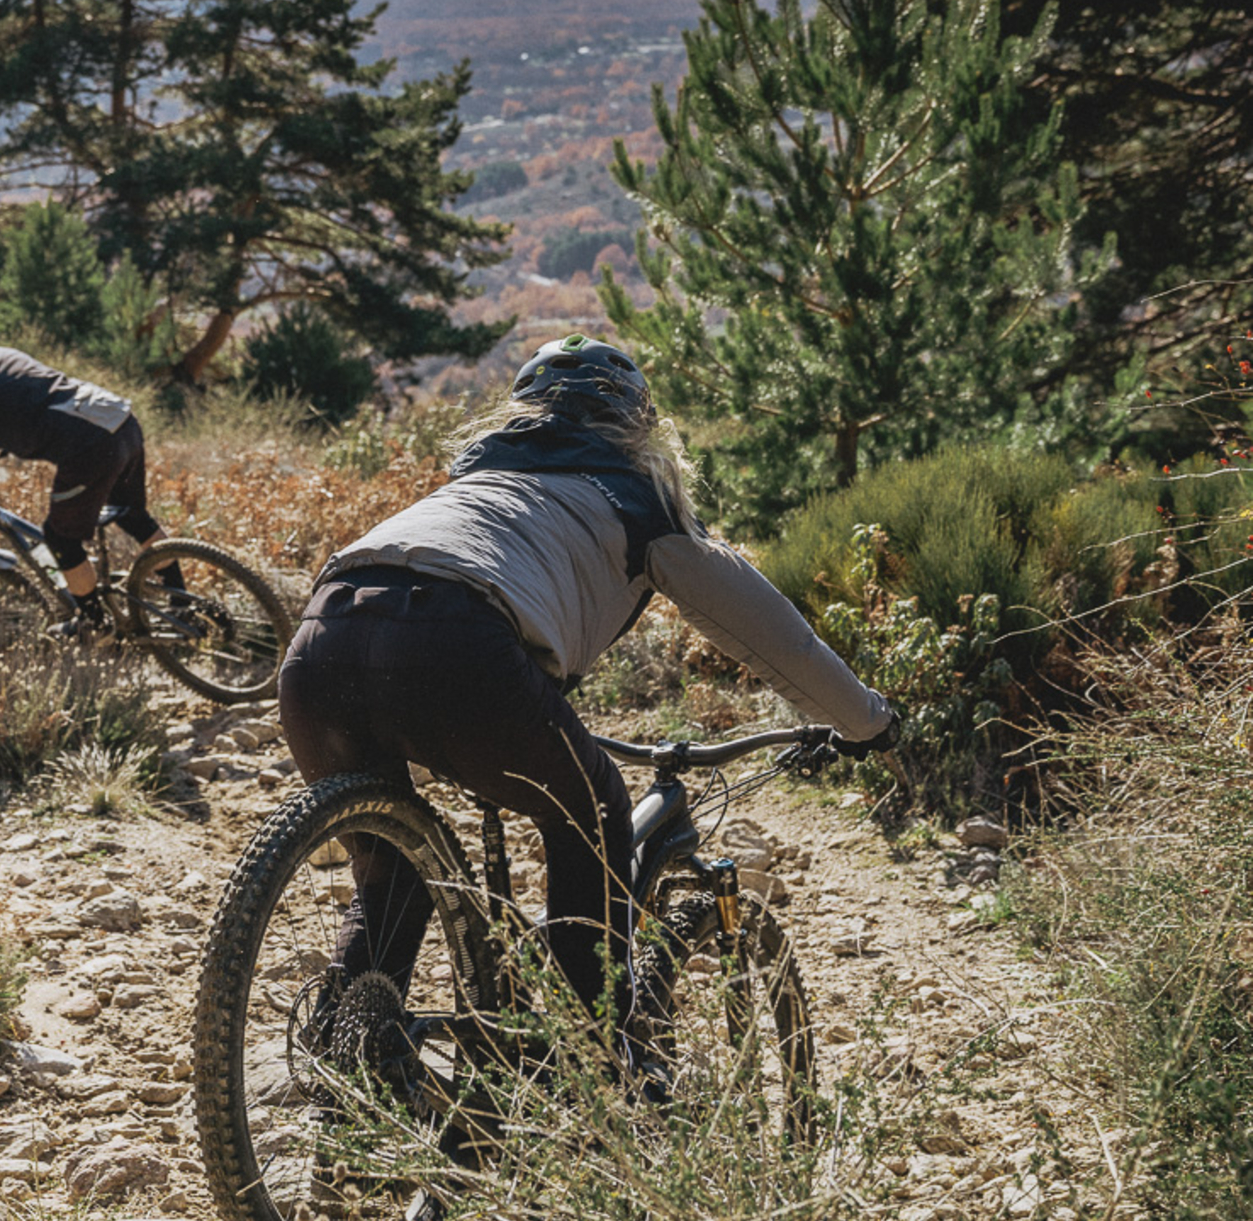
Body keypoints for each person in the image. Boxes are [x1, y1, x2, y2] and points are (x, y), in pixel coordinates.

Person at [276, 333, 897, 1055]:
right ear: (639, 429)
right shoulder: (635, 501)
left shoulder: (468, 484)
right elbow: (771, 635)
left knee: (391, 877)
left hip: (321, 643)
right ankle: (583, 1045)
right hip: (456, 645)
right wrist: (867, 722)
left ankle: (345, 1072)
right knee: (593, 810)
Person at [0, 314, 174, 625]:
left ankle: (94, 624)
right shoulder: (2, 356)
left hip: (91, 447)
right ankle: (182, 602)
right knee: (132, 514)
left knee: (60, 539)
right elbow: (35, 396)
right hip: (119, 420)